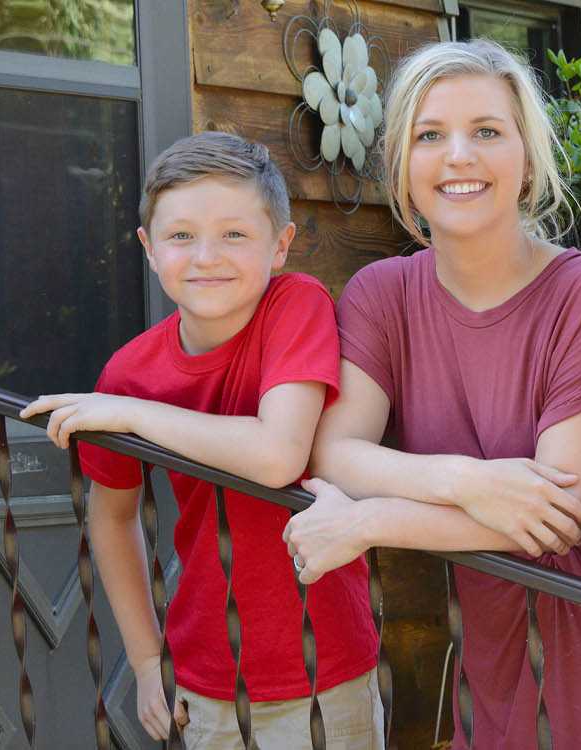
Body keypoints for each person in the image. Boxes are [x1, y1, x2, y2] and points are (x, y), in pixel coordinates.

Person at [281, 40, 581, 748]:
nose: (459, 155)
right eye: (431, 135)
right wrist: (470, 481)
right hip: (490, 654)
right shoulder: (381, 295)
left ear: (526, 157)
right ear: (402, 161)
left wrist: (368, 522)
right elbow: (335, 451)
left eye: (487, 131)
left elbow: (555, 515)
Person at [20, 131, 382, 749]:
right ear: (149, 249)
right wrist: (143, 660)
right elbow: (112, 521)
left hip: (322, 661)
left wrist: (134, 416)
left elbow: (277, 454)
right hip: (205, 667)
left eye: (235, 234)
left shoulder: (296, 305)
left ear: (280, 246)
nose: (206, 255)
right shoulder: (131, 374)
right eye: (181, 235)